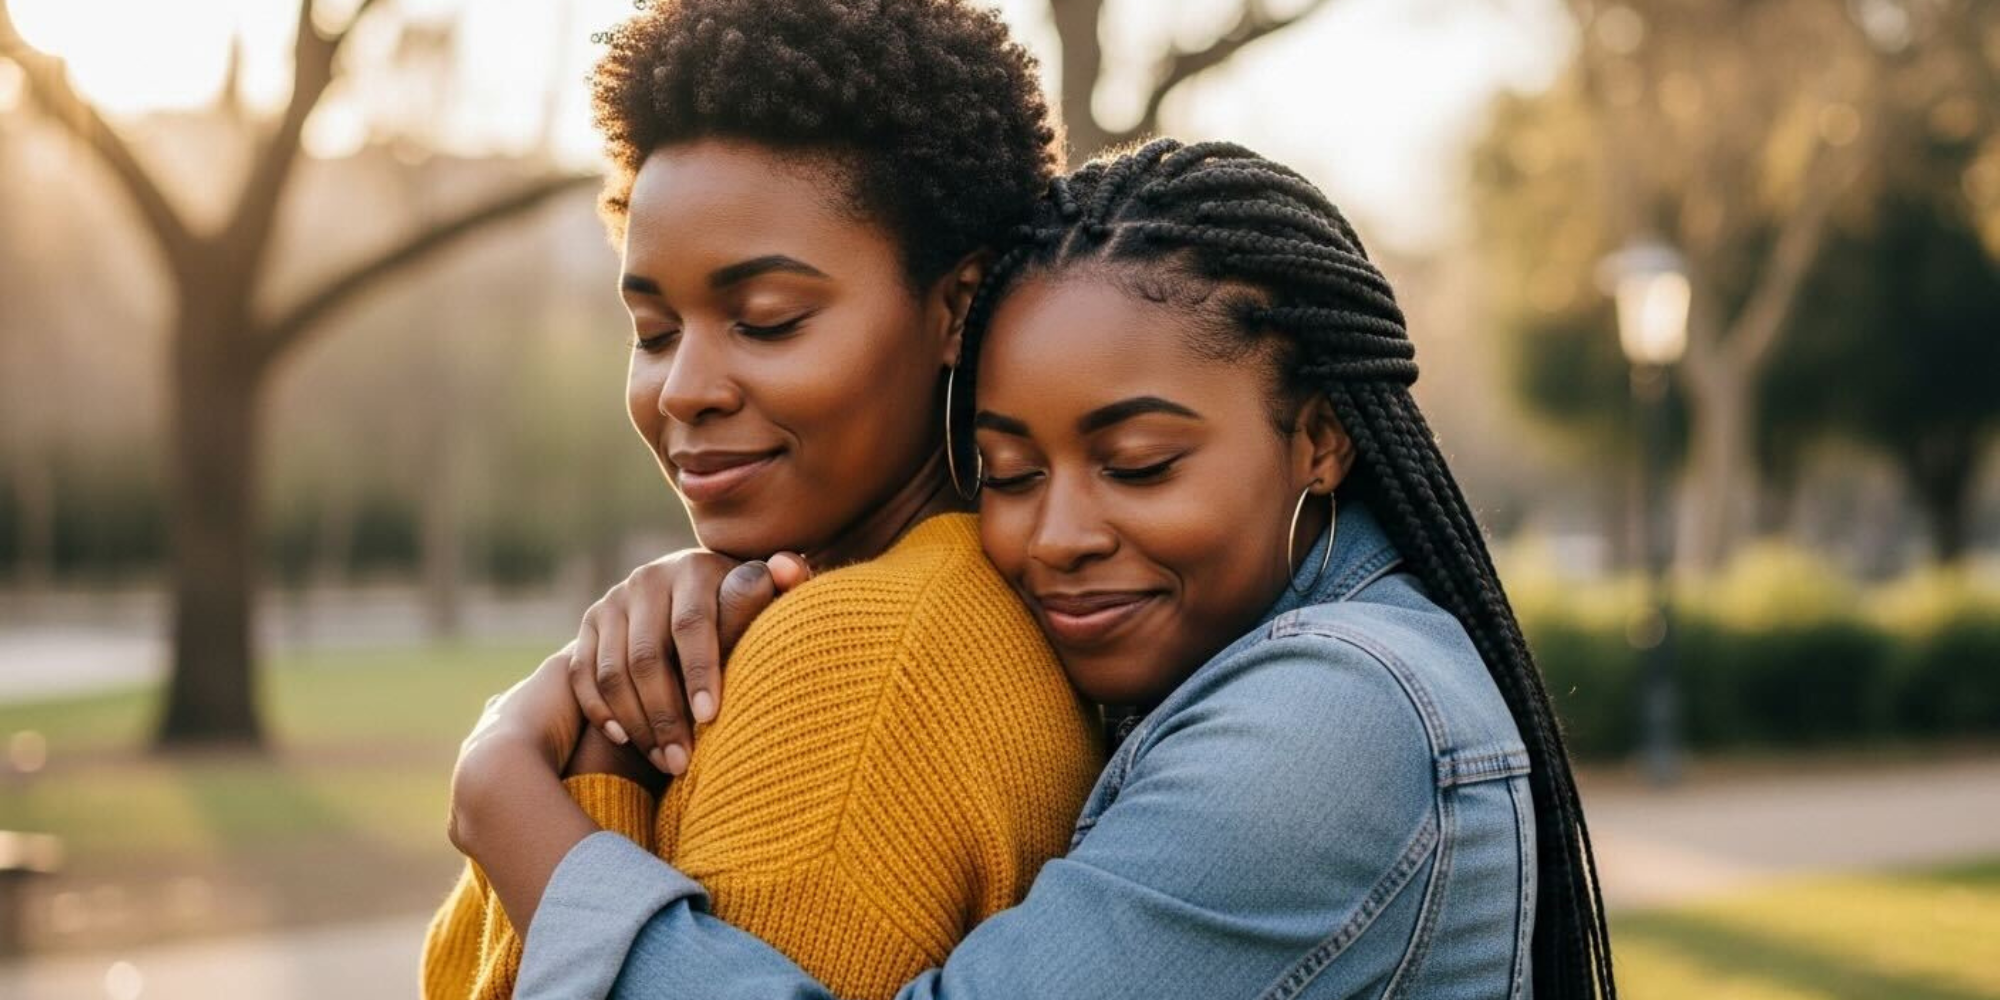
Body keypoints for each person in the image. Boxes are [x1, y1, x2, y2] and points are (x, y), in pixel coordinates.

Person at [466, 139, 1619, 999]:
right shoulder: (1203, 647)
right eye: (1008, 472)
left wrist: (523, 814)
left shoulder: (1333, 725)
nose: (1053, 533)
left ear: (1317, 438)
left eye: (1138, 462)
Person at [418, 2, 1105, 997]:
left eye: (767, 321)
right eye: (653, 332)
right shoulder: (919, 600)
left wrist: (556, 774)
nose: (683, 387)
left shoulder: (859, 660)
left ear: (954, 308)